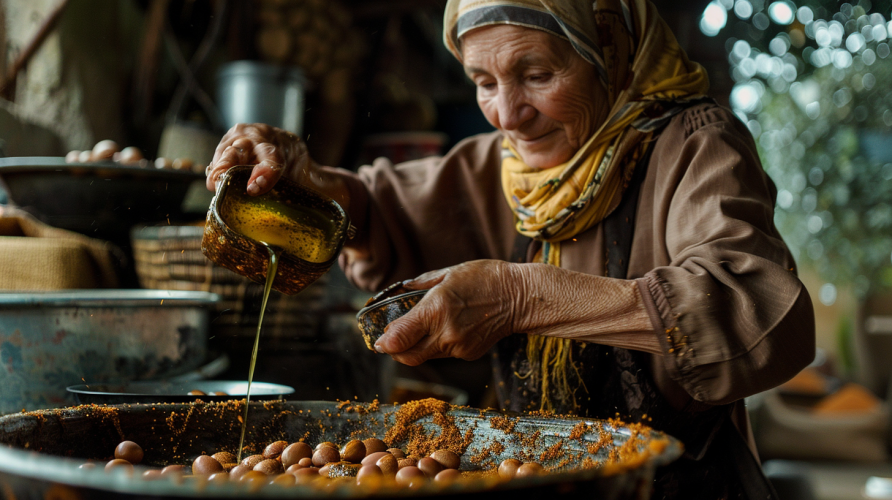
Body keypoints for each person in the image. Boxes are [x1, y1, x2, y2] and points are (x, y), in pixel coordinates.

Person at [206, 0, 815, 497]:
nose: (508, 115)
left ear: (608, 52)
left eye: (537, 75)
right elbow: (376, 208)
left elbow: (758, 313)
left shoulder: (694, 145)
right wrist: (301, 179)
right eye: (483, 81)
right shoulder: (500, 167)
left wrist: (520, 295)